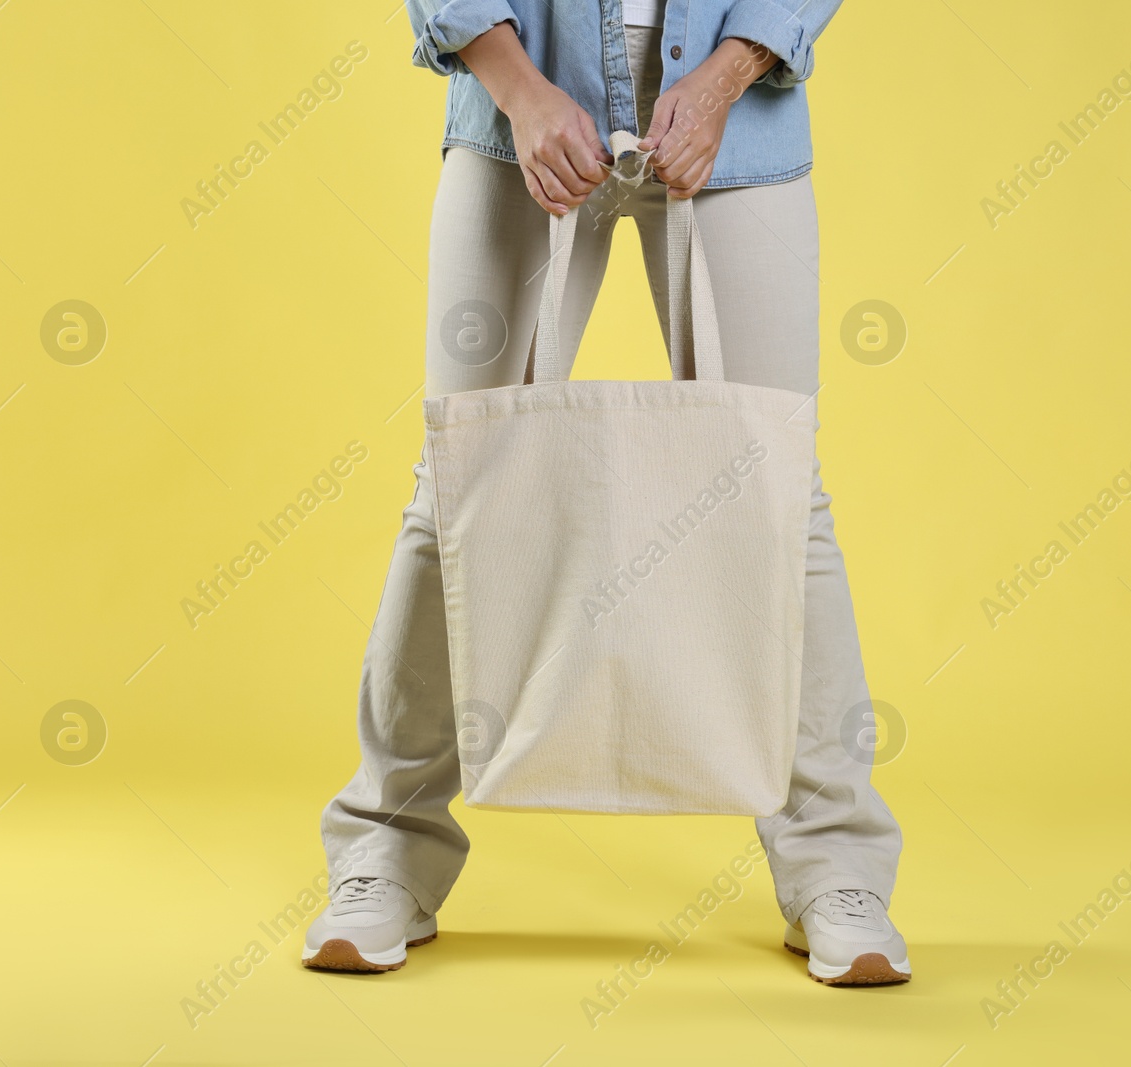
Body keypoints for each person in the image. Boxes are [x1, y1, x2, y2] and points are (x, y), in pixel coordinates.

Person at [304, 0, 908, 986]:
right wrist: (518, 88)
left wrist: (724, 77)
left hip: (739, 118)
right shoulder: (516, 99)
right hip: (518, 111)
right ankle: (383, 851)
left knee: (778, 493)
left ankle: (837, 870)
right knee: (460, 485)